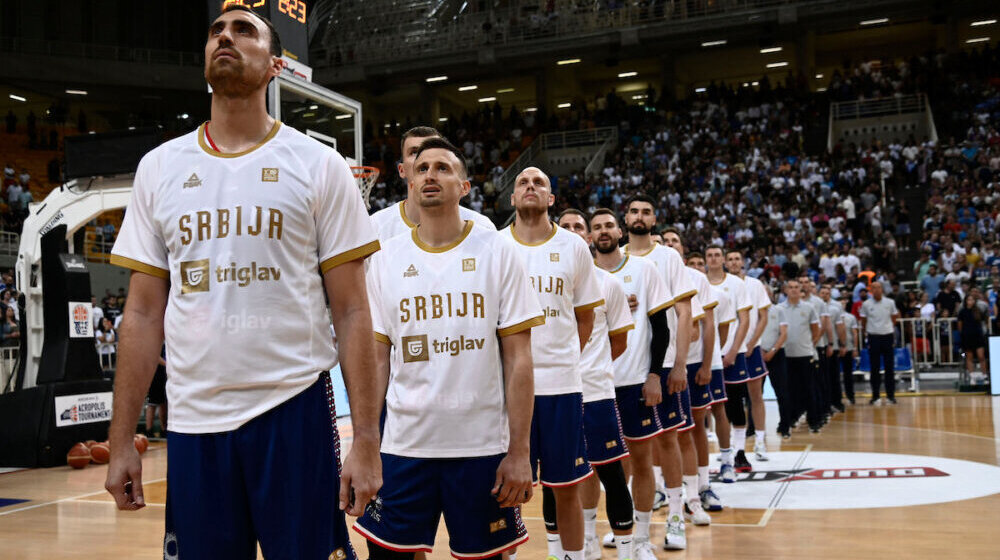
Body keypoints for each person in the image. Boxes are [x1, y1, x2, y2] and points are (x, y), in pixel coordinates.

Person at [104, 6, 382, 558]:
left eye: (244, 29)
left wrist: (368, 442)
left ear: (276, 65)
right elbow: (140, 314)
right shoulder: (159, 167)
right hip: (193, 418)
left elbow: (352, 312)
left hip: (293, 406)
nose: (224, 36)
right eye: (215, 31)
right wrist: (120, 441)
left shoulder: (318, 164)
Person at [355, 138, 539, 559]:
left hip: (481, 448)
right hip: (403, 447)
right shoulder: (385, 258)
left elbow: (519, 359)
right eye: (421, 169)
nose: (430, 175)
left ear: (465, 186)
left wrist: (520, 451)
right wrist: (365, 442)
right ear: (409, 180)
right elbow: (377, 360)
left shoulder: (499, 251)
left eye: (442, 168)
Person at [501, 167, 603, 560]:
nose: (530, 186)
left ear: (551, 199)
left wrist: (562, 357)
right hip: (506, 388)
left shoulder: (574, 247)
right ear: (512, 199)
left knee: (566, 487)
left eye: (539, 182)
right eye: (522, 182)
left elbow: (586, 317)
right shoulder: (494, 245)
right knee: (505, 486)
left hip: (560, 387)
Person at [557, 209, 638, 560]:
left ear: (588, 237)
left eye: (580, 227)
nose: (574, 231)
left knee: (612, 475)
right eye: (567, 226)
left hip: (595, 394)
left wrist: (593, 368)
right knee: (559, 482)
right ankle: (579, 546)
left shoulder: (608, 284)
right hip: (555, 394)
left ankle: (627, 551)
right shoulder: (546, 281)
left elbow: (618, 342)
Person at [591, 208, 671, 560]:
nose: (604, 231)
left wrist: (654, 374)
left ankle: (640, 538)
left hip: (634, 381)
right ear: (590, 237)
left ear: (620, 231)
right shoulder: (582, 274)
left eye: (609, 225)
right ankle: (592, 536)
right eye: (597, 227)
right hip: (592, 385)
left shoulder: (644, 269)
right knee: (591, 467)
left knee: (641, 461)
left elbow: (662, 329)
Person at [621, 195, 695, 551]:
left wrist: (679, 363)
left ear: (654, 220)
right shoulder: (612, 259)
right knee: (626, 450)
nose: (639, 216)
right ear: (625, 218)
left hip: (661, 365)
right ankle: (628, 527)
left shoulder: (668, 257)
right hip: (622, 367)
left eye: (646, 212)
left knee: (668, 440)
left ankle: (676, 517)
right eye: (634, 211)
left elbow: (683, 313)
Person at [661, 231, 724, 518]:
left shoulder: (696, 278)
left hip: (691, 363)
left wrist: (707, 365)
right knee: (656, 432)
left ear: (682, 249)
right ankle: (662, 488)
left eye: (676, 240)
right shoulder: (651, 271)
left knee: (695, 427)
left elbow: (704, 328)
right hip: (656, 364)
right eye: (666, 240)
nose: (670, 244)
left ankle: (702, 487)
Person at [369, 126, 496, 239]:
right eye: (414, 152)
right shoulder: (376, 226)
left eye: (431, 149)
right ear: (402, 170)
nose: (423, 157)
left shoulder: (482, 227)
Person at [705, 246, 753, 472]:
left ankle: (740, 451)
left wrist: (734, 350)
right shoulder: (699, 283)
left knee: (735, 403)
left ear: (723, 259)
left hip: (733, 351)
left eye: (717, 255)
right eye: (710, 255)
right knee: (711, 405)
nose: (714, 259)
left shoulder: (736, 284)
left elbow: (744, 320)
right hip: (708, 354)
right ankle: (719, 452)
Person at [726, 250, 772, 461]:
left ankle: (761, 442)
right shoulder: (719, 284)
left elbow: (764, 317)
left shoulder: (755, 284)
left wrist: (752, 343)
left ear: (742, 262)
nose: (734, 262)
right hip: (727, 349)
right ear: (726, 263)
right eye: (731, 259)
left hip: (751, 349)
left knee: (756, 397)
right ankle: (734, 446)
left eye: (737, 259)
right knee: (729, 400)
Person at [778, 280, 823, 432]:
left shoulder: (809, 308)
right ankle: (790, 419)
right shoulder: (779, 309)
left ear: (800, 289)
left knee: (809, 389)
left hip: (805, 354)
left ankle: (814, 421)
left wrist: (809, 345)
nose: (794, 290)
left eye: (796, 287)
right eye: (790, 287)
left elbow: (816, 330)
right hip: (785, 355)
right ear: (785, 290)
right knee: (789, 390)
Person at [860, 281, 901, 405]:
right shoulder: (866, 304)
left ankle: (891, 396)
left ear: (882, 289)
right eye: (874, 288)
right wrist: (871, 330)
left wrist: (886, 328)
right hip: (874, 337)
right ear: (871, 290)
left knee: (890, 367)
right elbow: (863, 320)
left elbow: (894, 318)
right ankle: (875, 395)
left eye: (878, 287)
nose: (876, 290)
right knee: (874, 368)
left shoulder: (890, 302)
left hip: (887, 336)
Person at [759, 285, 789, 438]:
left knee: (782, 391)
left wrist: (772, 351)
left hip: (776, 354)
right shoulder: (752, 311)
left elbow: (783, 334)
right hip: (757, 354)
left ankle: (784, 426)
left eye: (767, 291)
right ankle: (754, 428)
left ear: (771, 294)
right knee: (756, 395)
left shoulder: (778, 310)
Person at [957, 293, 988, 382]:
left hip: (978, 336)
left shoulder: (978, 310)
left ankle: (985, 375)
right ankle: (972, 376)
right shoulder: (962, 312)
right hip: (967, 336)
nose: (970, 302)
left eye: (972, 300)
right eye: (969, 300)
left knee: (981, 356)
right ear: (966, 301)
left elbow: (985, 320)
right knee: (969, 357)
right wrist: (962, 335)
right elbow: (960, 325)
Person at [838, 294, 860, 405]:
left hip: (849, 347)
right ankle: (836, 398)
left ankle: (850, 396)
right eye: (840, 303)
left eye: (843, 302)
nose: (842, 305)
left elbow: (855, 333)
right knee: (835, 374)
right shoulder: (833, 316)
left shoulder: (851, 317)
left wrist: (855, 348)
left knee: (848, 374)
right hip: (836, 348)